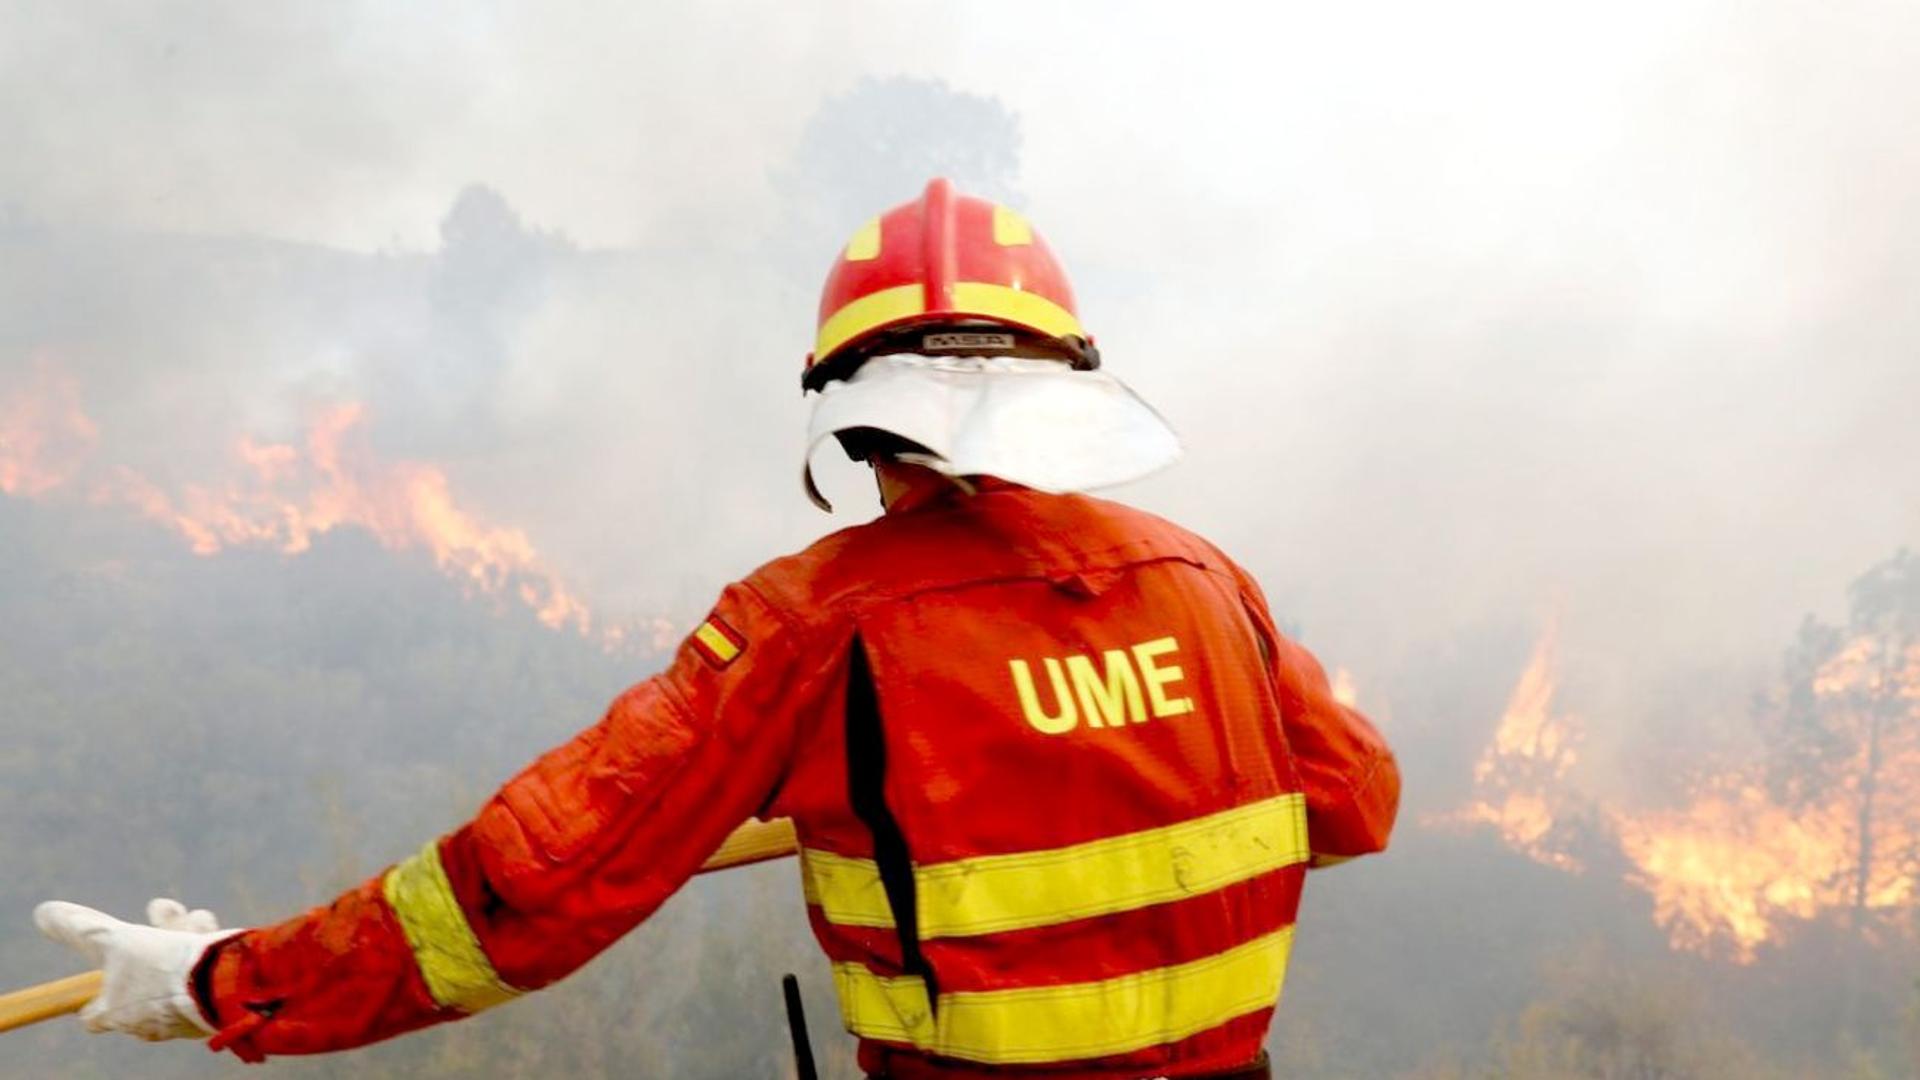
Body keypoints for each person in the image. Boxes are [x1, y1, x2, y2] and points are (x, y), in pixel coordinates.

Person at [35, 178, 1399, 1078]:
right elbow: (1352, 802)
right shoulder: (1204, 580)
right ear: (1064, 384)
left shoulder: (817, 627)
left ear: (853, 413)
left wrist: (221, 982)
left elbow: (521, 890)